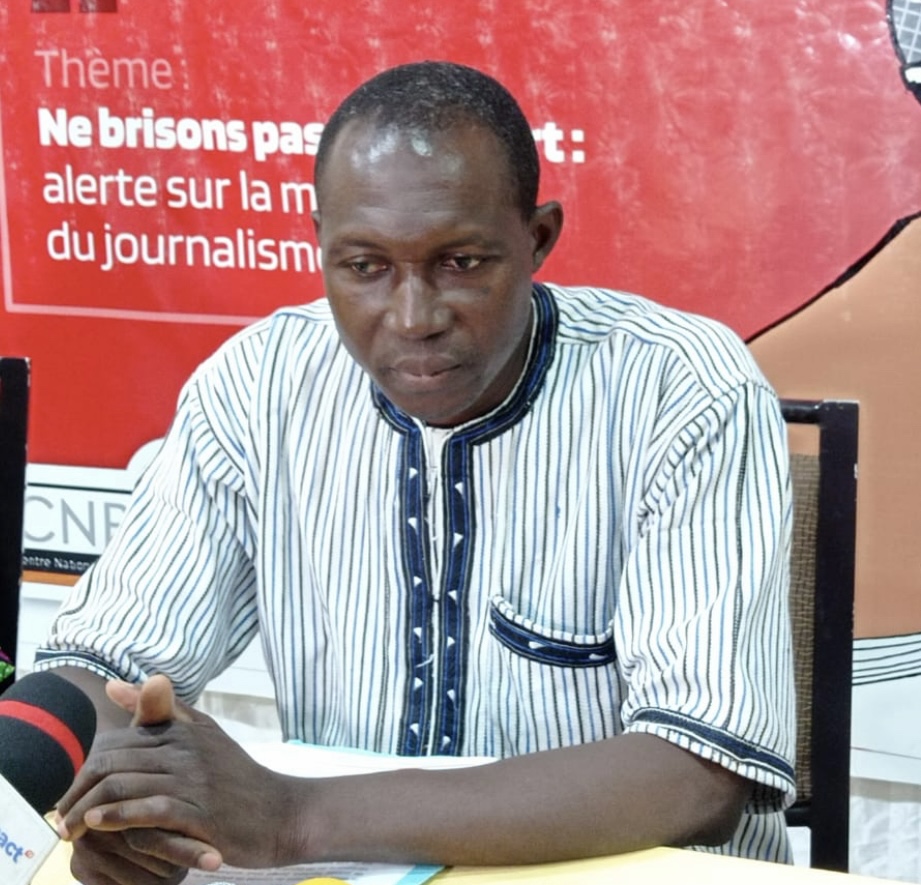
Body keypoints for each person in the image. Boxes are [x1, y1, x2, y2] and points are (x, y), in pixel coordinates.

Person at [37, 60, 795, 885]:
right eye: (364, 266)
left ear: (538, 238)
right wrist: (124, 802)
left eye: (460, 262)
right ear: (320, 242)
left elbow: (695, 770)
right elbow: (92, 672)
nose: (412, 317)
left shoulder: (681, 389)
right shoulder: (256, 384)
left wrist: (292, 816)